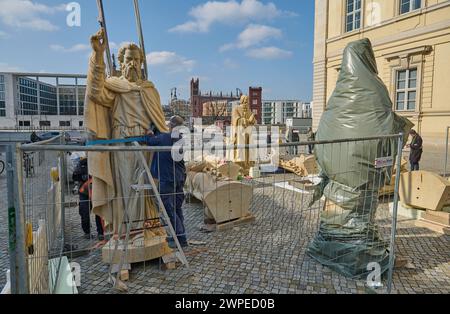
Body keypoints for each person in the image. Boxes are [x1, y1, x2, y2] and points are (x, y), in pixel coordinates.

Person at [144, 116, 188, 248]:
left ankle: (180, 239)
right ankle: (181, 236)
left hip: (167, 178)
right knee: (177, 208)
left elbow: (150, 141)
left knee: (169, 209)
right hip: (179, 177)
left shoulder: (164, 138)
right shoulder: (181, 139)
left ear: (170, 126)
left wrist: (149, 134)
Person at [72, 158, 104, 240]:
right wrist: (83, 176)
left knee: (99, 211)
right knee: (84, 212)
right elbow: (74, 176)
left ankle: (101, 232)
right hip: (84, 192)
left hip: (98, 191)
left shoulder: (100, 161)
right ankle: (87, 232)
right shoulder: (83, 163)